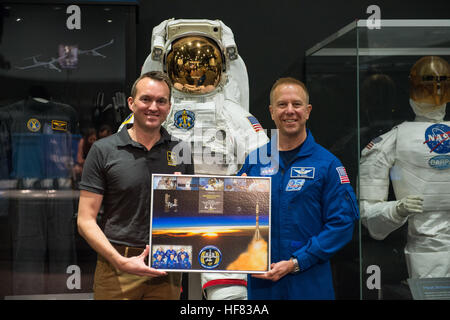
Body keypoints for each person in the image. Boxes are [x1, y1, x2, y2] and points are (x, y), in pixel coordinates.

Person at [238, 77, 359, 299]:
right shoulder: (254, 162)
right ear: (272, 111)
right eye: (282, 105)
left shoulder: (328, 165)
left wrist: (297, 262)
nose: (290, 111)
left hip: (309, 284)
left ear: (308, 110)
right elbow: (232, 221)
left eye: (297, 104)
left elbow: (342, 224)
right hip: (263, 285)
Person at [77, 71, 194, 300]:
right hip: (117, 266)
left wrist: (186, 197)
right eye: (146, 99)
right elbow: (85, 220)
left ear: (169, 106)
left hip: (166, 266)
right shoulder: (103, 150)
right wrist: (118, 260)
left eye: (161, 101)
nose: (153, 107)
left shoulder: (182, 152)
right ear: (131, 103)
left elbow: (192, 216)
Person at [359, 56, 450, 279]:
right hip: (425, 249)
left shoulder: (391, 141)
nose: (434, 93)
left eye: (439, 85)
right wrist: (398, 209)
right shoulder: (391, 142)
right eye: (427, 86)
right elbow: (368, 215)